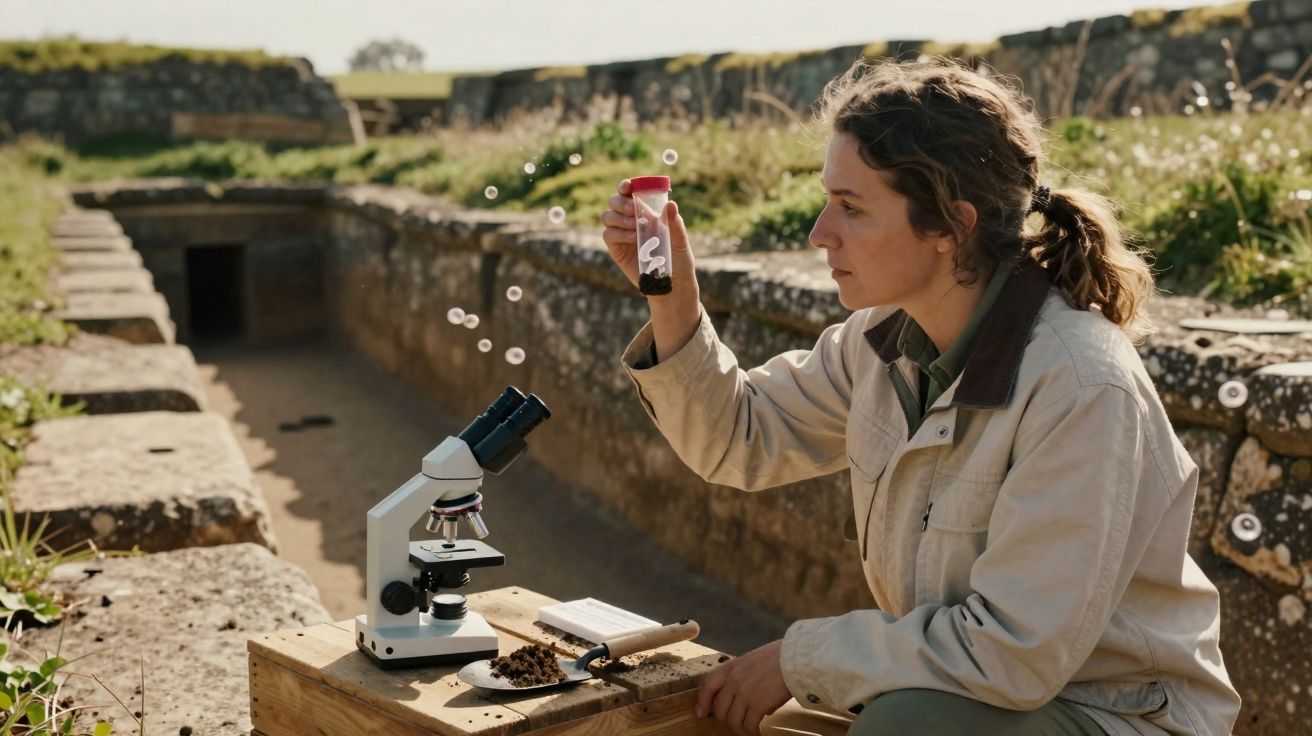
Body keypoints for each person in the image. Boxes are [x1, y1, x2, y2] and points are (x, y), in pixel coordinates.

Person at [598, 58, 1241, 736]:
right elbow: (739, 441)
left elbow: (1015, 653)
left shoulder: (1082, 386)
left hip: (1114, 716)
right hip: (971, 696)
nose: (819, 233)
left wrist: (798, 659)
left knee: (903, 725)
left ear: (949, 228)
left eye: (850, 208)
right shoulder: (879, 341)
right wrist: (673, 300)